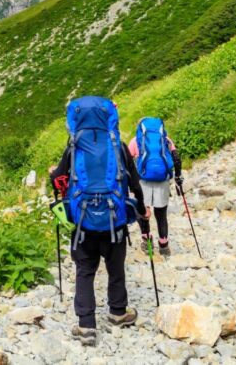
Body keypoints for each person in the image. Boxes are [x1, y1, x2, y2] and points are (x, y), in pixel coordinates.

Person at [49, 97, 149, 345]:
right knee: (115, 269)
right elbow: (134, 182)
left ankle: (86, 326)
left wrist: (54, 175)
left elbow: (58, 178)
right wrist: (143, 211)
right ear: (108, 119)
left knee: (85, 271)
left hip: (83, 223)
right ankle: (117, 313)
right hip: (115, 221)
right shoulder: (119, 145)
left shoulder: (73, 147)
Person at [128, 118, 182, 256]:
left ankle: (147, 241)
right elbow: (176, 158)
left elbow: (127, 162)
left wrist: (129, 184)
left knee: (143, 212)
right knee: (161, 214)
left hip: (143, 181)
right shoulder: (165, 140)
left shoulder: (136, 141)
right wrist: (178, 178)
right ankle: (164, 245)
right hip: (162, 180)